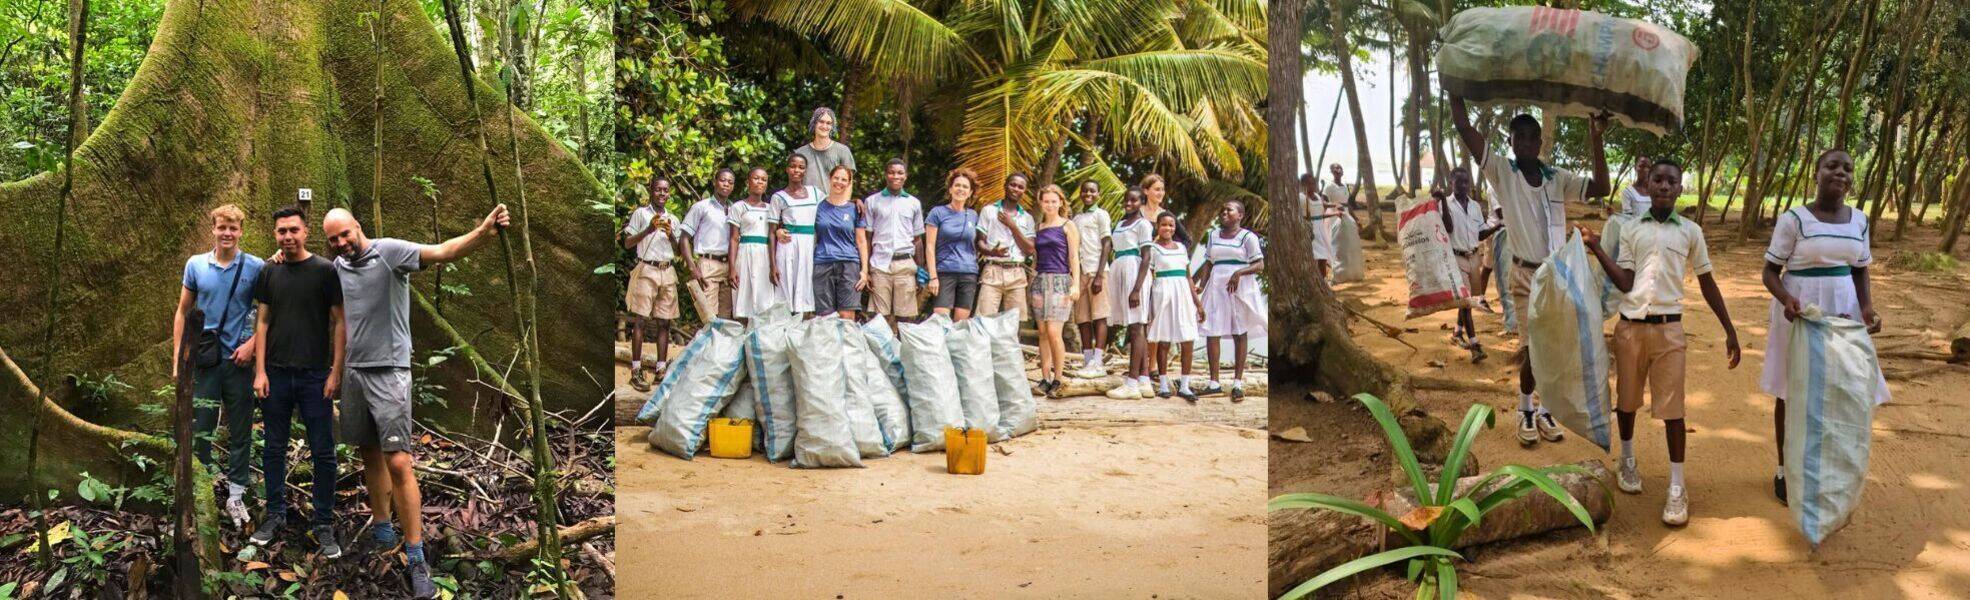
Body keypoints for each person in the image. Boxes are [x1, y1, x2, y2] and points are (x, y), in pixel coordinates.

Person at [318, 204, 509, 598]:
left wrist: (484, 230)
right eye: (333, 239)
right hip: (355, 371)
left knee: (399, 459)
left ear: (357, 226)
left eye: (344, 235)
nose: (340, 243)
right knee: (369, 453)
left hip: (390, 371)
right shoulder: (336, 268)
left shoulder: (390, 253)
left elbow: (443, 252)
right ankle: (382, 528)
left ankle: (417, 552)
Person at [1581, 157, 1741, 527]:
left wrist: (1729, 329)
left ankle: (1676, 486)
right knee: (1627, 402)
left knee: (1673, 410)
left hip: (1670, 331)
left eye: (1672, 181)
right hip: (1631, 328)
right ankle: (1628, 460)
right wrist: (1595, 246)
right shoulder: (1630, 229)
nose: (1665, 186)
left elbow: (1706, 281)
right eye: (1659, 180)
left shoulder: (1690, 232)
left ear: (1680, 188)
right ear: (1647, 185)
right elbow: (1625, 281)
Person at [1451, 94, 1611, 446]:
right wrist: (1454, 87)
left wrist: (1596, 136)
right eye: (1517, 137)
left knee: (1552, 348)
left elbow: (1602, 188)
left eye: (1530, 137)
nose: (1524, 143)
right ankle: (1526, 410)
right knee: (1533, 349)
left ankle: (1545, 410)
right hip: (1524, 277)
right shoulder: (1502, 173)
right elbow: (1464, 127)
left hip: (1556, 276)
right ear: (1510, 142)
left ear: (1539, 142)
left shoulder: (1556, 178)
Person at [1758, 148, 1889, 507]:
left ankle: (1824, 467)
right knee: (1790, 387)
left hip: (1842, 311)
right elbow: (1770, 272)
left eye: (1847, 168)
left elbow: (1860, 269)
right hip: (1799, 311)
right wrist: (1786, 299)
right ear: (1815, 174)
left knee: (1838, 389)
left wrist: (1865, 308)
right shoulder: (1795, 220)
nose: (1840, 173)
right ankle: (1786, 468)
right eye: (1831, 166)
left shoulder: (1859, 221)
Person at [245, 205, 345, 557]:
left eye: (293, 230)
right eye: (281, 231)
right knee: (273, 448)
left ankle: (323, 523)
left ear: (305, 232)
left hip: (315, 376)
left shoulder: (324, 270)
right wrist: (259, 372)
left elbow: (339, 322)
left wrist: (336, 371)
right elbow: (263, 323)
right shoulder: (269, 272)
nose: (287, 236)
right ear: (275, 235)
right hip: (275, 374)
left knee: (323, 452)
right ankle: (275, 514)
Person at [172, 203, 263, 526]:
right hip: (205, 361)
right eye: (222, 227)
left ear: (241, 231)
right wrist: (178, 362)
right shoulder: (196, 265)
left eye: (233, 228)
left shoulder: (255, 267)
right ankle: (203, 491)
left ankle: (236, 495)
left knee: (240, 430)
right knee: (202, 429)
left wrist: (252, 346)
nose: (227, 233)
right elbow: (183, 312)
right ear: (212, 229)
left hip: (238, 362)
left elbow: (267, 314)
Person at [1197, 201, 1265, 402]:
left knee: (1239, 331)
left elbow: (1259, 264)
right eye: (1223, 209)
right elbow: (1209, 263)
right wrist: (1201, 286)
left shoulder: (1247, 237)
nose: (1224, 212)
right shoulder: (1213, 235)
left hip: (1238, 287)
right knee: (1212, 330)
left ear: (1240, 215)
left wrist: (1239, 272)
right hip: (1217, 285)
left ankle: (1237, 383)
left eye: (1229, 210)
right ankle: (1214, 383)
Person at [622, 177, 684, 392]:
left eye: (665, 191)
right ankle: (636, 369)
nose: (662, 194)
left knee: (664, 323)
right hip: (646, 269)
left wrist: (671, 235)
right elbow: (628, 243)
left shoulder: (673, 219)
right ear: (651, 191)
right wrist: (648, 229)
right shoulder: (641, 214)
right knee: (640, 320)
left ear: (669, 194)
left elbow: (678, 251)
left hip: (667, 270)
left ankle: (660, 369)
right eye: (658, 190)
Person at [1139, 212, 1202, 401]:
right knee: (1163, 340)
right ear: (1157, 227)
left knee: (1187, 338)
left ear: (1175, 228)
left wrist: (1198, 304)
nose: (1168, 228)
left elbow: (1188, 276)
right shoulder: (1153, 249)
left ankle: (1185, 385)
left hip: (1182, 293)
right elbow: (1147, 275)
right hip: (1162, 292)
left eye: (1171, 225)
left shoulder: (1182, 248)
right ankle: (1164, 384)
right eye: (1164, 225)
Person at [1440, 167, 1501, 363]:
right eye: (1459, 182)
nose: (1464, 186)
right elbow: (1447, 227)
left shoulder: (1475, 206)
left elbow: (1480, 232)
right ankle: (1474, 344)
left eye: (1467, 182)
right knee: (1466, 302)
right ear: (1452, 183)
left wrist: (1496, 227)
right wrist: (1441, 199)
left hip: (1473, 258)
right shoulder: (1445, 204)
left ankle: (1457, 332)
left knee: (1467, 299)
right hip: (1456, 258)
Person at [1030, 185, 1082, 398]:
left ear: (1060, 202)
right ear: (1041, 203)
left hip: (1060, 280)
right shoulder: (1039, 227)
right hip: (1040, 280)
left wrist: (1076, 284)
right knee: (1042, 333)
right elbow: (1035, 257)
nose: (1050, 205)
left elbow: (1073, 257)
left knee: (1054, 332)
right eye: (1046, 201)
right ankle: (1045, 378)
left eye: (1054, 201)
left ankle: (1058, 377)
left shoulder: (1068, 225)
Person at [1106, 187, 1157, 399]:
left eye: (1134, 200)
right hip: (1120, 269)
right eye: (1127, 200)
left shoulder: (1143, 224)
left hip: (1134, 272)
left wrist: (1137, 288)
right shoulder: (1120, 223)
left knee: (1137, 326)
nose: (1129, 203)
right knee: (1135, 326)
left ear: (1141, 202)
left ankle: (1132, 382)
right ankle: (1144, 379)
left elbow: (1146, 256)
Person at [864, 158, 925, 330]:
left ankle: (903, 354)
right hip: (880, 265)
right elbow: (867, 237)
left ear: (906, 176)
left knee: (905, 319)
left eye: (900, 173)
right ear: (885, 175)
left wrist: (921, 270)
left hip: (905, 265)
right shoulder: (872, 201)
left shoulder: (913, 203)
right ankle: (879, 355)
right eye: (891, 172)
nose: (895, 176)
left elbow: (918, 239)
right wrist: (866, 269)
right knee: (878, 318)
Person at [813, 164, 871, 319]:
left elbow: (862, 242)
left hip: (849, 265)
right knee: (825, 317)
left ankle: (847, 344)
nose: (839, 182)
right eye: (836, 178)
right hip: (822, 263)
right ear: (829, 179)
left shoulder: (855, 209)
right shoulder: (818, 206)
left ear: (849, 183)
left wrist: (864, 271)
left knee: (847, 315)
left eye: (844, 179)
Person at [926, 169, 984, 321]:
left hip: (968, 273)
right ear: (950, 189)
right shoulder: (937, 213)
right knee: (940, 321)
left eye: (965, 187)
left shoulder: (973, 215)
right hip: (945, 272)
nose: (961, 189)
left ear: (970, 192)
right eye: (957, 185)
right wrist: (933, 277)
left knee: (961, 325)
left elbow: (978, 244)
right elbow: (930, 247)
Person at [679, 168, 737, 321]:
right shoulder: (701, 207)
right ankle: (706, 345)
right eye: (723, 180)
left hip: (728, 266)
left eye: (730, 182)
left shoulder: (735, 209)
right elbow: (684, 238)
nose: (726, 185)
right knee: (708, 316)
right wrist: (693, 267)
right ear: (714, 182)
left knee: (725, 317)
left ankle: (720, 346)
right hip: (708, 265)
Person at [977, 173, 1037, 319]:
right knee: (984, 320)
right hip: (993, 270)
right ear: (1005, 185)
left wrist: (1012, 226)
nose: (1016, 189)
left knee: (1013, 323)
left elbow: (1029, 249)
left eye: (1020, 187)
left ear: (1024, 191)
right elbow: (979, 242)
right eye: (1013, 185)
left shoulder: (1027, 218)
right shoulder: (989, 211)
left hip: (1016, 273)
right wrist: (992, 252)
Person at [1070, 181, 1113, 378]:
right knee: (1083, 318)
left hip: (1098, 271)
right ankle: (1087, 360)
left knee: (1100, 316)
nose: (1088, 193)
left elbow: (1106, 244)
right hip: (1081, 273)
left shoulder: (1101, 214)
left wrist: (1099, 275)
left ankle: (1098, 360)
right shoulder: (1077, 218)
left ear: (1098, 194)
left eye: (1092, 191)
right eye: (1084, 190)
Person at [773, 154, 823, 317]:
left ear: (805, 171)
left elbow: (833, 205)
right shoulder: (778, 197)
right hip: (788, 246)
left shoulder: (815, 193)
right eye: (793, 166)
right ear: (787, 169)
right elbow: (771, 229)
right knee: (787, 285)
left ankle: (803, 331)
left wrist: (856, 201)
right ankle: (785, 328)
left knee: (806, 285)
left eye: (801, 167)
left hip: (809, 245)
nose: (797, 170)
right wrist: (777, 231)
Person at [728, 167, 780, 323]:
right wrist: (731, 268)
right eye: (756, 178)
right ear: (748, 182)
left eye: (764, 179)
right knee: (744, 301)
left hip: (765, 256)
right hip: (745, 255)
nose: (760, 182)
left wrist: (773, 265)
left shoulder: (772, 208)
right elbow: (734, 238)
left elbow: (773, 236)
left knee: (764, 303)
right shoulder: (738, 207)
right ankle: (744, 343)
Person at [793, 107, 856, 191]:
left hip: (833, 202)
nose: (824, 126)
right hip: (806, 203)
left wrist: (843, 203)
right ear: (814, 123)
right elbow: (794, 183)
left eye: (828, 123)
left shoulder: (843, 151)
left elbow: (849, 184)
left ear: (832, 126)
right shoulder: (800, 153)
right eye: (821, 121)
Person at [1302, 173, 1338, 281]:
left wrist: (1335, 213)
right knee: (1316, 256)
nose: (1311, 186)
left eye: (1313, 183)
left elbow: (1321, 214)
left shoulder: (1317, 196)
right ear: (1303, 184)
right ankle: (1316, 280)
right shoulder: (1302, 198)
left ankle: (1322, 280)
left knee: (1323, 256)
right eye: (1308, 184)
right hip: (1311, 230)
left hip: (1320, 228)